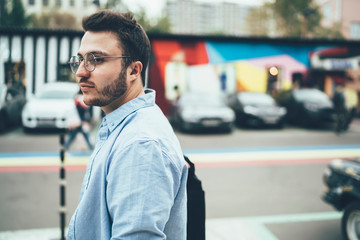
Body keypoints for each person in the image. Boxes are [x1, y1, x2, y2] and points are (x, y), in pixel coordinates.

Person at [67, 10, 188, 240]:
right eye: (81, 59)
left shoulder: (140, 144)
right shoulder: (124, 126)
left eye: (96, 59)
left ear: (134, 70)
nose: (81, 72)